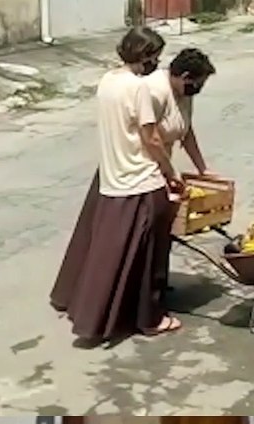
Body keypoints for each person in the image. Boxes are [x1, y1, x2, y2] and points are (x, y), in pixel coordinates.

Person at [50, 26, 183, 343]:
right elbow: (150, 137)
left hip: (113, 176)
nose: (156, 63)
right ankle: (151, 318)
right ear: (147, 55)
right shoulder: (137, 88)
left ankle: (108, 309)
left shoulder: (107, 82)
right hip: (141, 177)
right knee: (151, 252)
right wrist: (170, 172)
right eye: (155, 56)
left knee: (112, 251)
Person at [145, 47, 218, 295]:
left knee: (164, 229)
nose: (198, 90)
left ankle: (158, 282)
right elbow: (150, 138)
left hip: (162, 167)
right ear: (184, 76)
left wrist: (202, 169)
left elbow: (186, 133)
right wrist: (171, 174)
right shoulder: (155, 91)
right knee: (151, 230)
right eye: (197, 84)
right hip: (145, 167)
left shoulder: (184, 95)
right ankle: (147, 288)